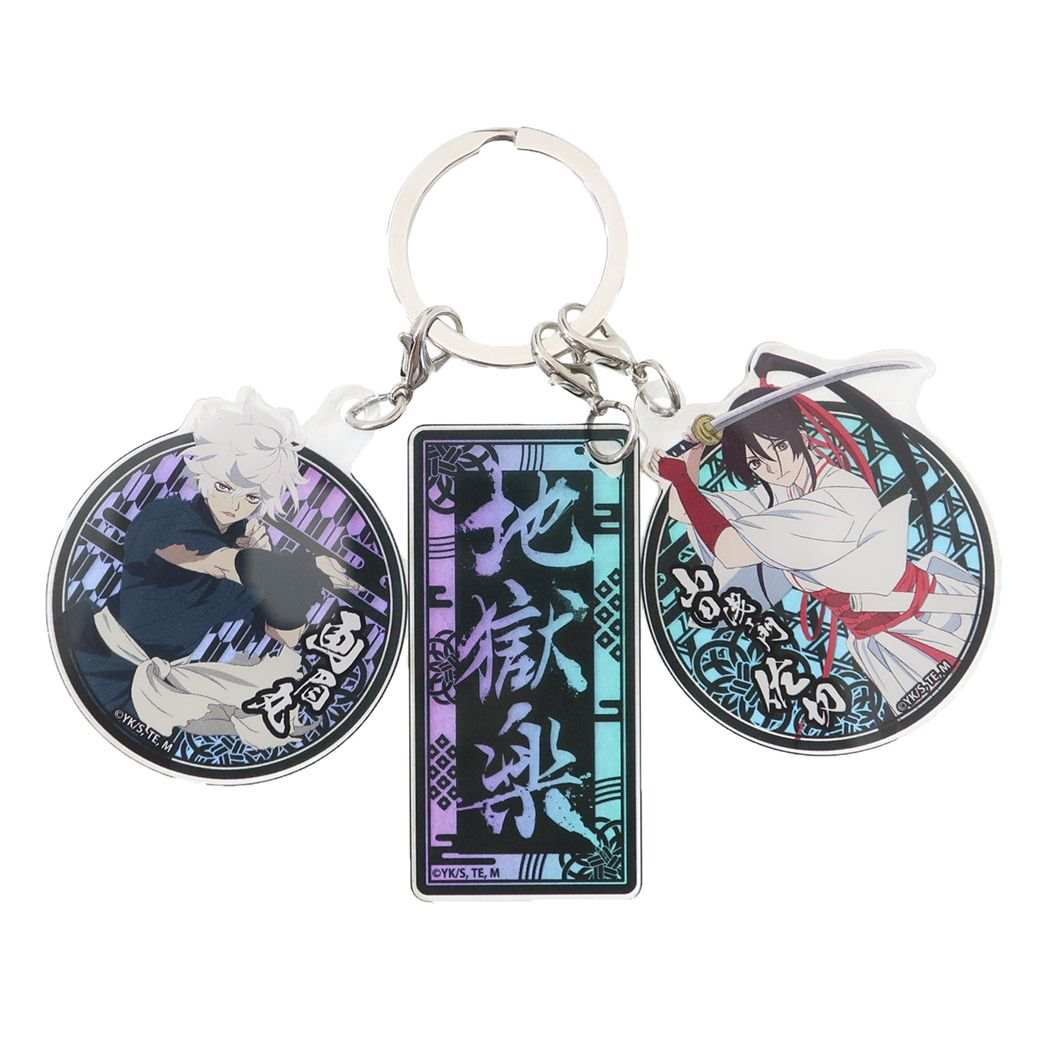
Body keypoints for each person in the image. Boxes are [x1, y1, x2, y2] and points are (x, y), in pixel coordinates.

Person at [652, 386, 979, 714]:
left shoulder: (835, 498)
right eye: (757, 461)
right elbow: (685, 511)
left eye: (780, 446)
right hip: (880, 640)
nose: (774, 466)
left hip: (930, 618)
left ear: (802, 437)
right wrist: (694, 450)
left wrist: (681, 479)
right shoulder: (780, 495)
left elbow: (729, 549)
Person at [68, 390, 356, 746]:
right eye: (224, 486)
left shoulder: (250, 556)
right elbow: (216, 563)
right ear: (204, 473)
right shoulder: (169, 518)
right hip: (95, 656)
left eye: (252, 496)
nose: (234, 504)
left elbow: (287, 634)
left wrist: (275, 582)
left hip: (162, 685)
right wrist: (305, 566)